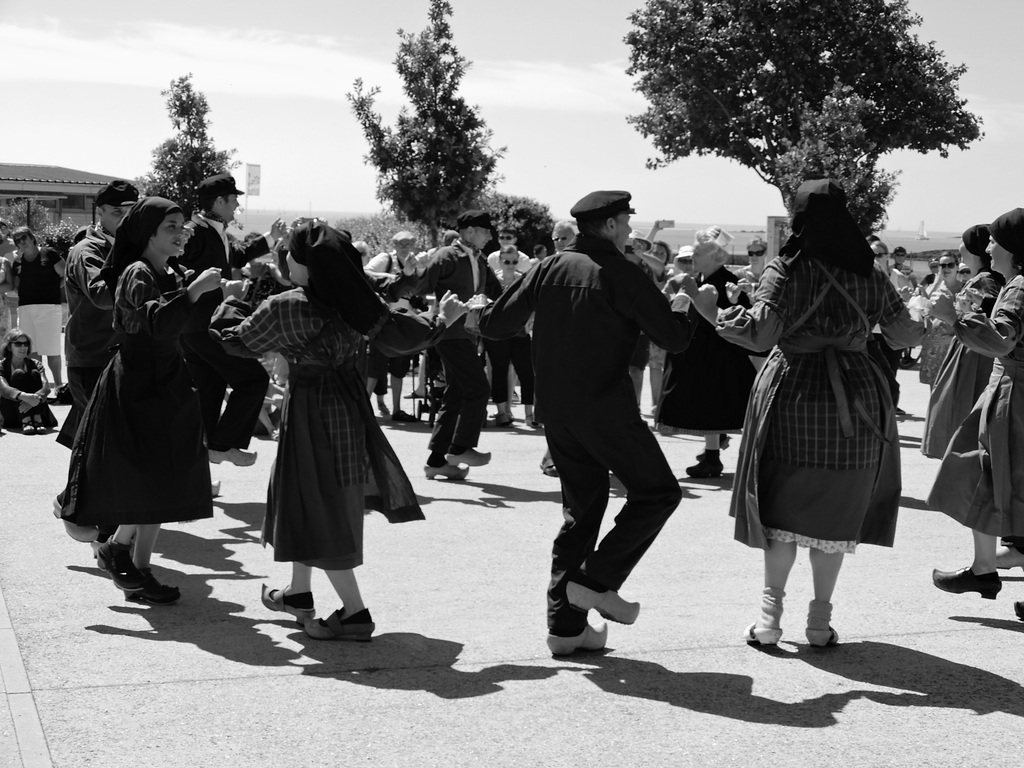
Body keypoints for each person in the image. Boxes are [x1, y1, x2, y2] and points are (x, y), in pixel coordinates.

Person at [692, 179, 923, 647]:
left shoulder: (787, 269)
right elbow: (903, 335)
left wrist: (714, 314)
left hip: (792, 389)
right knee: (834, 514)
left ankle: (768, 621)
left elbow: (759, 336)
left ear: (798, 219)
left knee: (781, 508)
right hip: (859, 396)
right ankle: (819, 624)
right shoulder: (871, 272)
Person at [212, 220, 466, 640]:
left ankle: (355, 612)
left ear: (307, 264)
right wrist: (442, 322)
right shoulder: (358, 303)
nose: (286, 259)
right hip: (348, 406)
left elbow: (235, 340)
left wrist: (229, 301)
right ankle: (298, 592)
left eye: (291, 254)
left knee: (320, 503)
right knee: (308, 497)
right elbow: (405, 334)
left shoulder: (286, 306)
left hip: (310, 410)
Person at [477, 190, 693, 656]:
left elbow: (495, 326)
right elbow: (673, 339)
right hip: (605, 410)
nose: (630, 229)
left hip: (556, 412)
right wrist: (681, 308)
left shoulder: (548, 267)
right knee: (658, 493)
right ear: (612, 226)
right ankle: (595, 580)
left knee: (581, 514)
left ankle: (566, 628)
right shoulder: (623, 272)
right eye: (626, 221)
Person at [58, 197, 224, 605]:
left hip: (165, 379)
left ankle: (134, 562)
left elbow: (181, 325)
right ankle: (124, 553)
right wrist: (194, 292)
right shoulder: (136, 272)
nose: (181, 232)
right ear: (148, 233)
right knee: (152, 478)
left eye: (183, 225)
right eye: (171, 226)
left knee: (165, 480)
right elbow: (157, 323)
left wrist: (208, 293)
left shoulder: (169, 269)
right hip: (138, 384)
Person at [929, 208, 1024, 609]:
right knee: (991, 473)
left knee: (984, 470)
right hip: (1009, 389)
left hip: (1013, 393)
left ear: (1011, 247)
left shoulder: (1018, 287)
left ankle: (987, 567)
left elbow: (1001, 339)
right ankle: (987, 566)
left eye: (994, 240)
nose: (987, 246)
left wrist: (955, 316)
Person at [177, 173, 287, 467]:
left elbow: (237, 256)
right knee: (254, 379)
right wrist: (217, 288)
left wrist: (270, 237)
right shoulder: (193, 232)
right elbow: (177, 270)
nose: (238, 203)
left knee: (210, 390)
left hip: (199, 329)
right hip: (202, 327)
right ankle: (224, 445)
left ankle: (200, 470)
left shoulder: (213, 229)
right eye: (234, 198)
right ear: (219, 201)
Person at [391, 209, 502, 480]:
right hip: (449, 332)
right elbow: (419, 288)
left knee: (455, 394)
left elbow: (497, 293)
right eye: (486, 230)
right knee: (478, 388)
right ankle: (460, 447)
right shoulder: (446, 256)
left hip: (467, 333)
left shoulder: (479, 259)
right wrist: (410, 271)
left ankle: (437, 460)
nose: (490, 235)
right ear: (469, 231)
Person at [656, 227, 764, 478]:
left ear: (715, 256)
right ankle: (712, 455)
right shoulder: (703, 280)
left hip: (724, 358)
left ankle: (717, 456)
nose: (693, 256)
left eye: (698, 253)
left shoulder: (728, 281)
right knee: (711, 408)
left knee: (718, 407)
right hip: (708, 356)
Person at [57, 180, 140, 448]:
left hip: (122, 356)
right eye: (118, 212)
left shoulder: (136, 250)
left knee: (100, 441)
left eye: (132, 211)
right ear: (100, 212)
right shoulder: (87, 251)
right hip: (92, 359)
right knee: (101, 443)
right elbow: (103, 296)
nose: (126, 218)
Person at [920, 226, 1004, 459]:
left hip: (972, 357)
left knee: (959, 415)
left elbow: (979, 321)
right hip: (974, 352)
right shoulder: (989, 279)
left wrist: (950, 315)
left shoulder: (983, 280)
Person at [363, 230, 424, 422]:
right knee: (374, 368)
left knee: (400, 368)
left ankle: (397, 409)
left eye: (408, 243)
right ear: (393, 244)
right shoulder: (385, 259)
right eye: (400, 243)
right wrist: (395, 277)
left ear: (414, 243)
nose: (404, 247)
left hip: (405, 321)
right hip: (382, 322)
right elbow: (365, 272)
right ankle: (363, 410)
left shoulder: (418, 262)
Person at [9, 227, 65, 387]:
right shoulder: (18, 262)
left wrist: (52, 288)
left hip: (49, 308)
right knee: (32, 350)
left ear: (32, 237)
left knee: (52, 350)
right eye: (17, 240)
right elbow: (16, 286)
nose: (21, 242)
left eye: (24, 237)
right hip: (26, 309)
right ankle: (42, 385)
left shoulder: (49, 254)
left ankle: (59, 386)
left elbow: (65, 274)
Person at [918, 251, 964, 386]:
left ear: (957, 266)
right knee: (933, 392)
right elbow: (925, 314)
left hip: (953, 348)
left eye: (950, 265)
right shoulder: (934, 288)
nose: (946, 269)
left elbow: (970, 321)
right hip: (932, 347)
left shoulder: (964, 290)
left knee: (951, 392)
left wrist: (954, 339)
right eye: (942, 265)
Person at [0, 328, 57, 433]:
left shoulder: (36, 364)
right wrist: (24, 396)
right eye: (18, 344)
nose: (23, 347)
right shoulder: (2, 366)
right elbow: (4, 389)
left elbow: (46, 387)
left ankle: (37, 419)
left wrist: (32, 402)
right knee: (19, 374)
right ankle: (26, 420)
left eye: (25, 344)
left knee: (34, 373)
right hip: (13, 413)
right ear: (9, 347)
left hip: (37, 408)